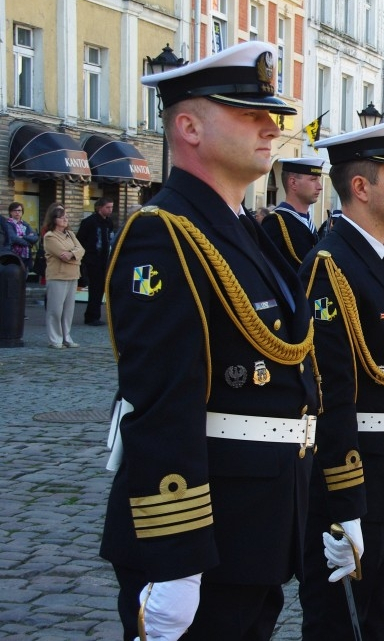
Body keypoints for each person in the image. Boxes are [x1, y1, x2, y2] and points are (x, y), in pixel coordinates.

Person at [100, 41, 318, 641]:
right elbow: (162, 406)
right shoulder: (163, 235)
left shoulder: (246, 229)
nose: (270, 128)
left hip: (257, 528)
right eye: (249, 114)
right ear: (189, 127)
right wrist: (176, 562)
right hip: (204, 536)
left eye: (270, 114)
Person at [298, 117, 384, 641]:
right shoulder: (331, 266)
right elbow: (330, 396)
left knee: (382, 611)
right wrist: (345, 503)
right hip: (356, 478)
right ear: (360, 187)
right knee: (343, 624)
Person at [262, 157, 325, 272]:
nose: (319, 187)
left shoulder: (308, 223)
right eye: (313, 179)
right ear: (293, 183)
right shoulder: (276, 222)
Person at [41, 203, 84, 349]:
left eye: (66, 216)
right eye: (62, 217)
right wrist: (74, 254)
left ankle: (67, 337)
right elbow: (61, 254)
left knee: (68, 310)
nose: (65, 219)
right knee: (55, 310)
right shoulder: (50, 236)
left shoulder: (70, 234)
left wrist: (72, 253)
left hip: (73, 275)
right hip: (57, 276)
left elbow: (81, 250)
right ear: (54, 219)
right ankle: (55, 339)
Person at [77, 196, 115, 325]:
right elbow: (80, 240)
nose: (110, 210)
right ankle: (91, 316)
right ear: (100, 208)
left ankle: (95, 315)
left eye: (111, 207)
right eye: (107, 207)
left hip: (105, 259)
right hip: (92, 260)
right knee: (95, 288)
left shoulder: (109, 222)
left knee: (101, 289)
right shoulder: (89, 222)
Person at [6, 201, 39, 271]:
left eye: (19, 210)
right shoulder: (7, 224)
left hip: (25, 257)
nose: (17, 212)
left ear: (22, 212)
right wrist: (28, 243)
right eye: (15, 210)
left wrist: (23, 236)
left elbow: (35, 238)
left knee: (24, 279)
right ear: (10, 212)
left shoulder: (25, 225)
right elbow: (14, 238)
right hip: (13, 257)